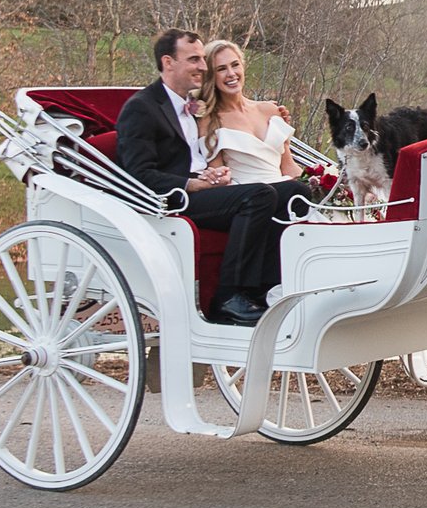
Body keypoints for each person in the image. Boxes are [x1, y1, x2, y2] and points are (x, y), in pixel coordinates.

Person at [115, 29, 301, 325]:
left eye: (203, 60)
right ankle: (227, 297)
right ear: (168, 62)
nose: (203, 66)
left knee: (291, 192)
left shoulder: (193, 108)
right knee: (258, 195)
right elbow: (139, 175)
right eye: (193, 60)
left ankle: (272, 286)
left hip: (204, 189)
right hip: (170, 200)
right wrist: (192, 183)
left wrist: (213, 173)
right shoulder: (142, 108)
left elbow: (196, 154)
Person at [196, 40, 302, 187]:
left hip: (286, 190)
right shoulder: (209, 120)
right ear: (211, 77)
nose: (231, 74)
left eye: (235, 65)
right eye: (221, 69)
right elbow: (219, 180)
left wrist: (318, 185)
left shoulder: (270, 111)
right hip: (246, 196)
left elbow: (289, 167)